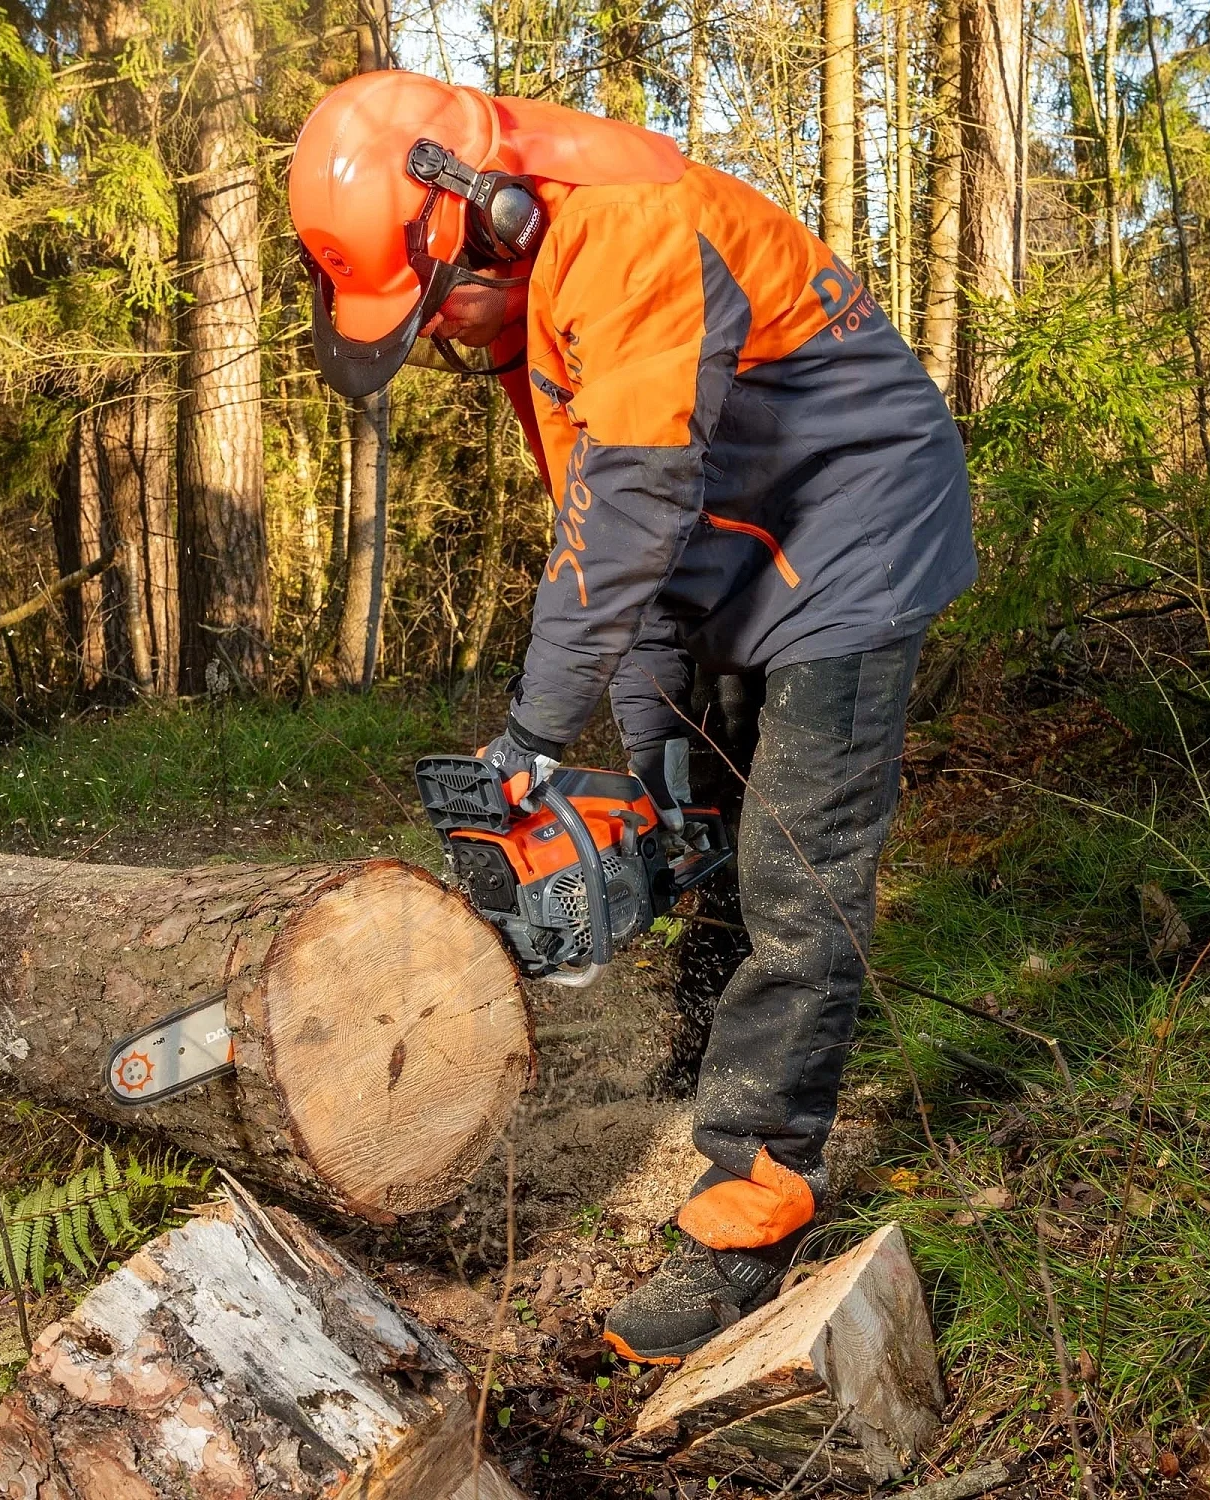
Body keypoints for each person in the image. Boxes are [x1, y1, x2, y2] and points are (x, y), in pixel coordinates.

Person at [289, 71, 976, 1366]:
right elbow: (605, 539)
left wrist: (533, 740)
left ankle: (751, 1212)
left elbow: (632, 515)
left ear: (487, 220)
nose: (440, 336)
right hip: (745, 537)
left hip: (861, 524)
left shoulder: (625, 230)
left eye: (439, 304)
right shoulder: (532, 306)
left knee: (797, 869)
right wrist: (655, 758)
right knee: (708, 805)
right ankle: (707, 1049)